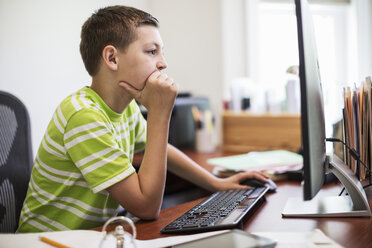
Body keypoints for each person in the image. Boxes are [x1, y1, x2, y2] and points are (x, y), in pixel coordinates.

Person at [17, 5, 269, 232]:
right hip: (47, 241)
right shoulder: (84, 116)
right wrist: (160, 113)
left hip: (92, 236)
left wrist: (217, 183)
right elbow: (147, 207)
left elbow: (162, 150)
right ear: (112, 58)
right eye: (152, 52)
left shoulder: (124, 108)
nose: (163, 64)